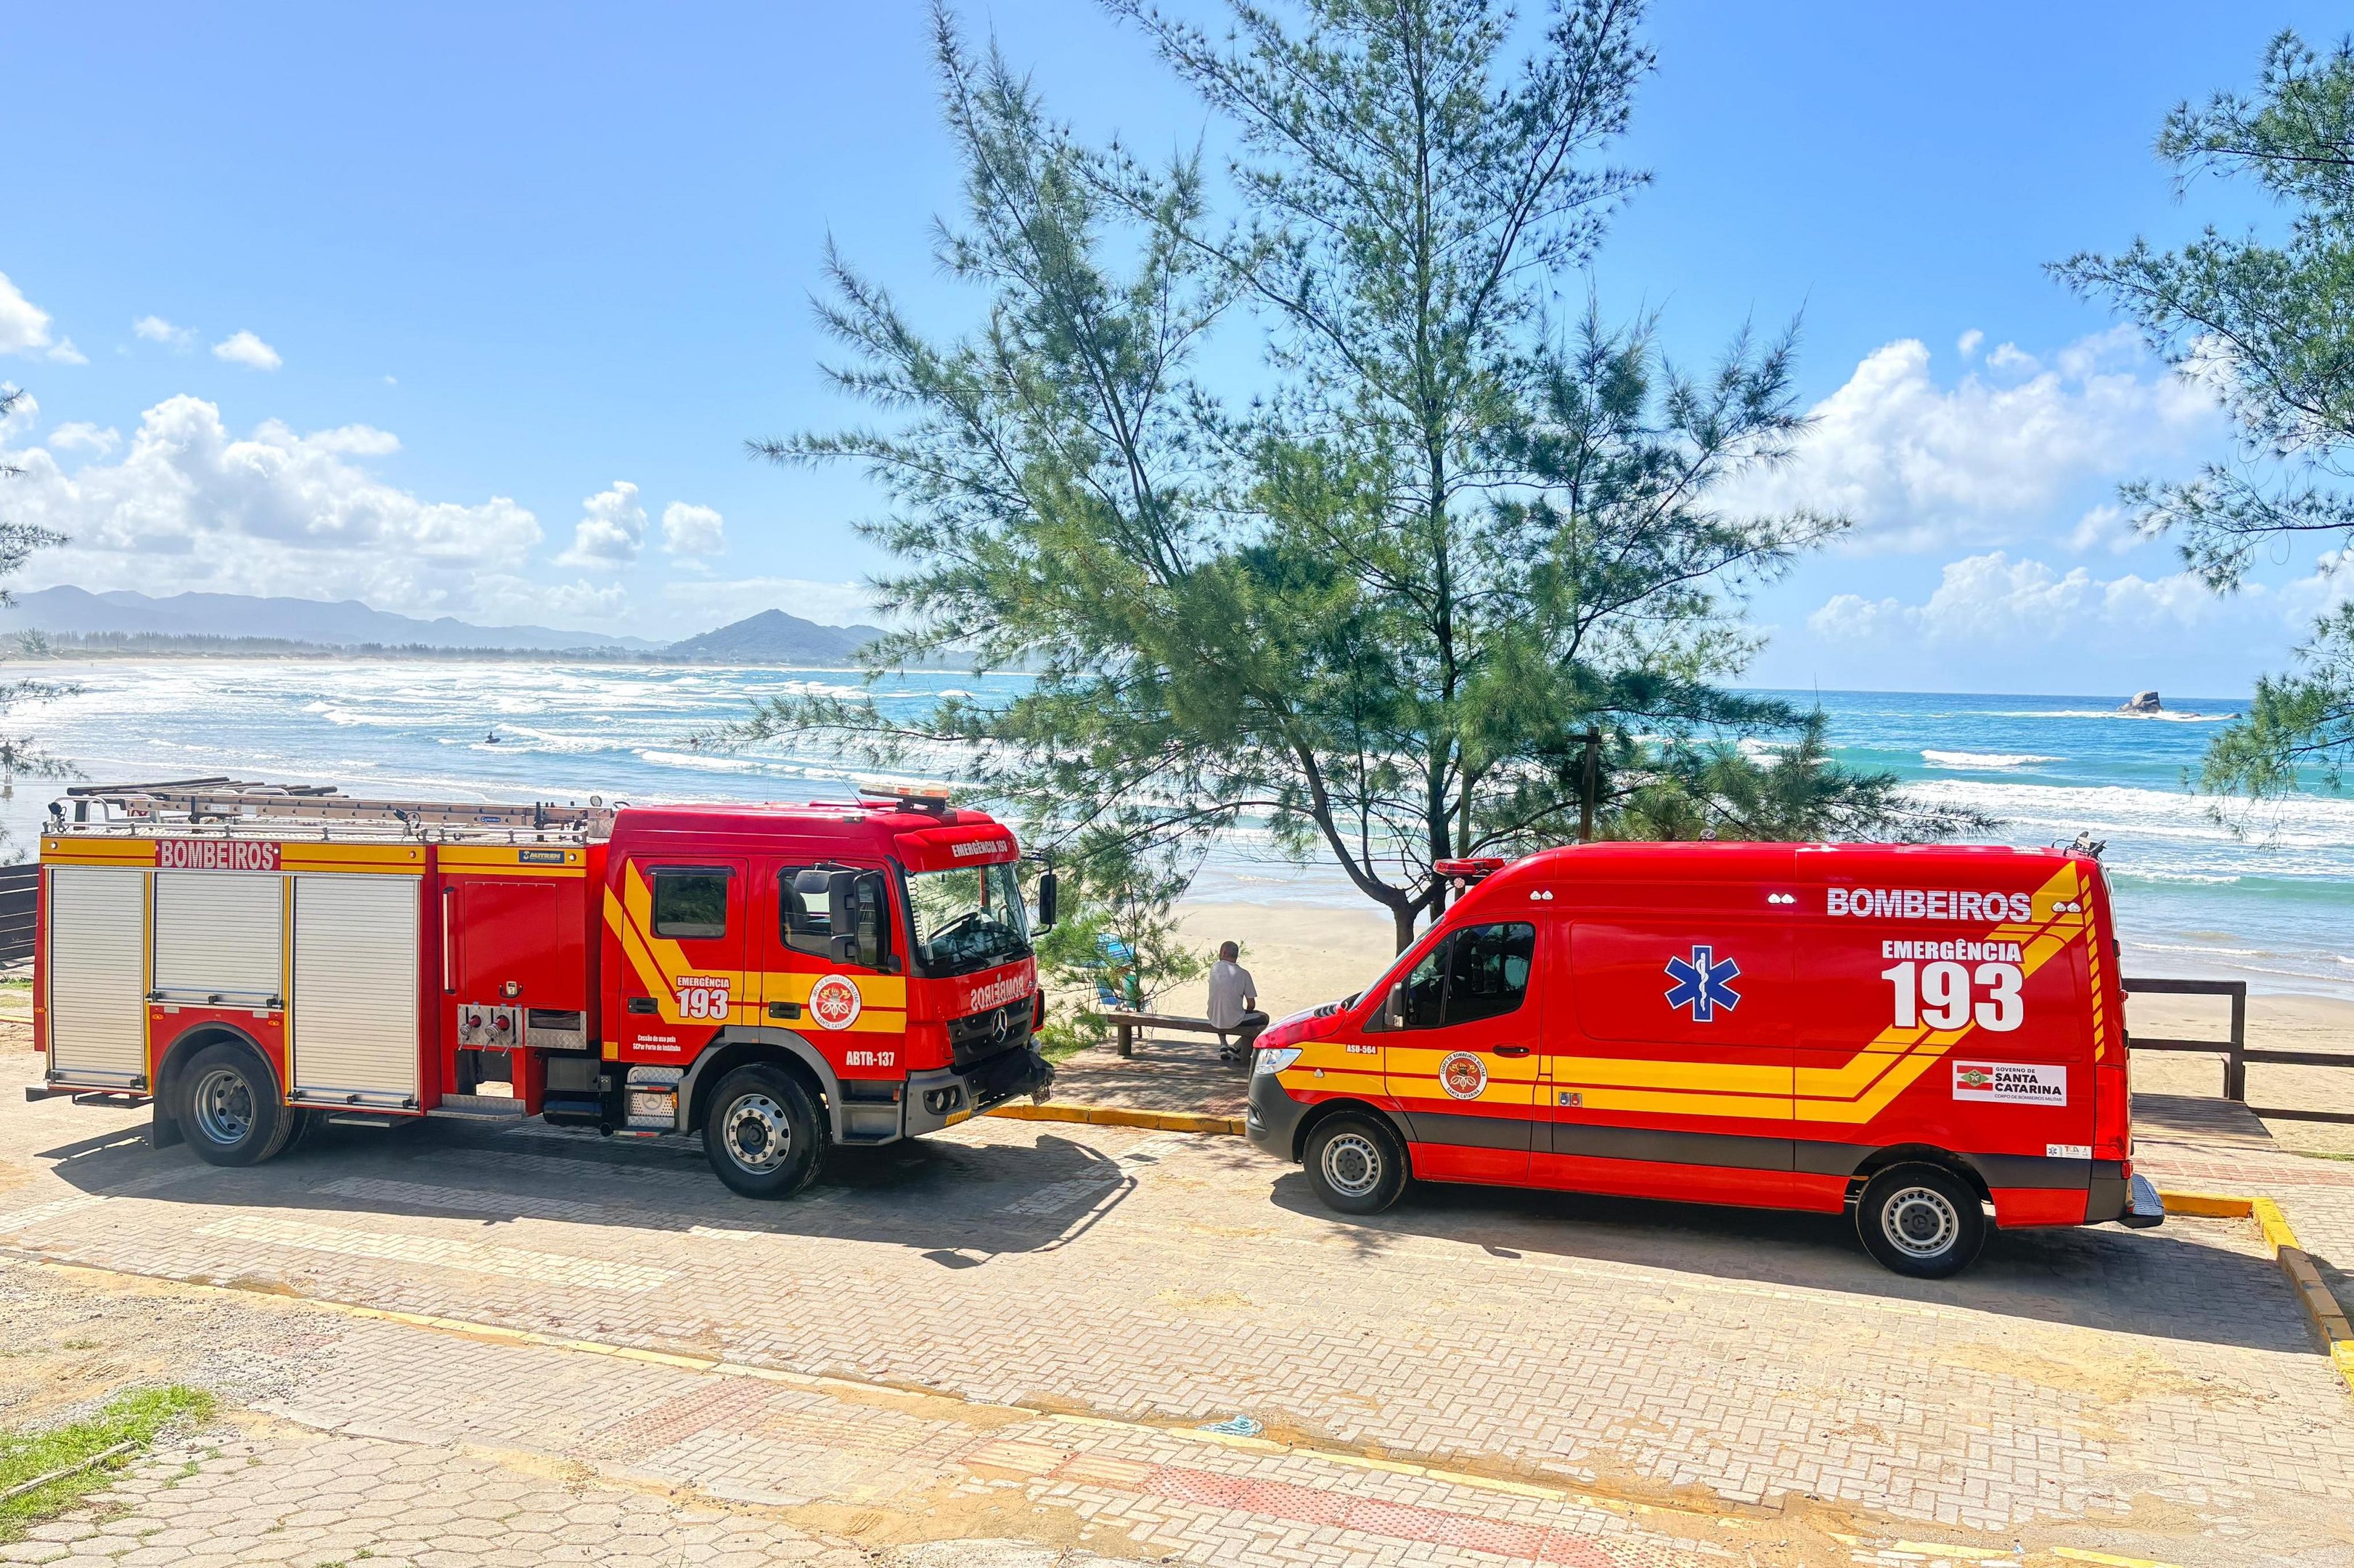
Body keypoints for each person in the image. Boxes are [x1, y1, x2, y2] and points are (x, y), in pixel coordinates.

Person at [1207, 941, 1267, 1065]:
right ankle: (1236, 1048)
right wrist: (1248, 1012)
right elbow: (1251, 1004)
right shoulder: (1244, 974)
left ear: (1223, 953)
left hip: (1213, 1016)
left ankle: (1223, 1044)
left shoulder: (1214, 967)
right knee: (1264, 1018)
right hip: (1233, 1020)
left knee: (1221, 1006)